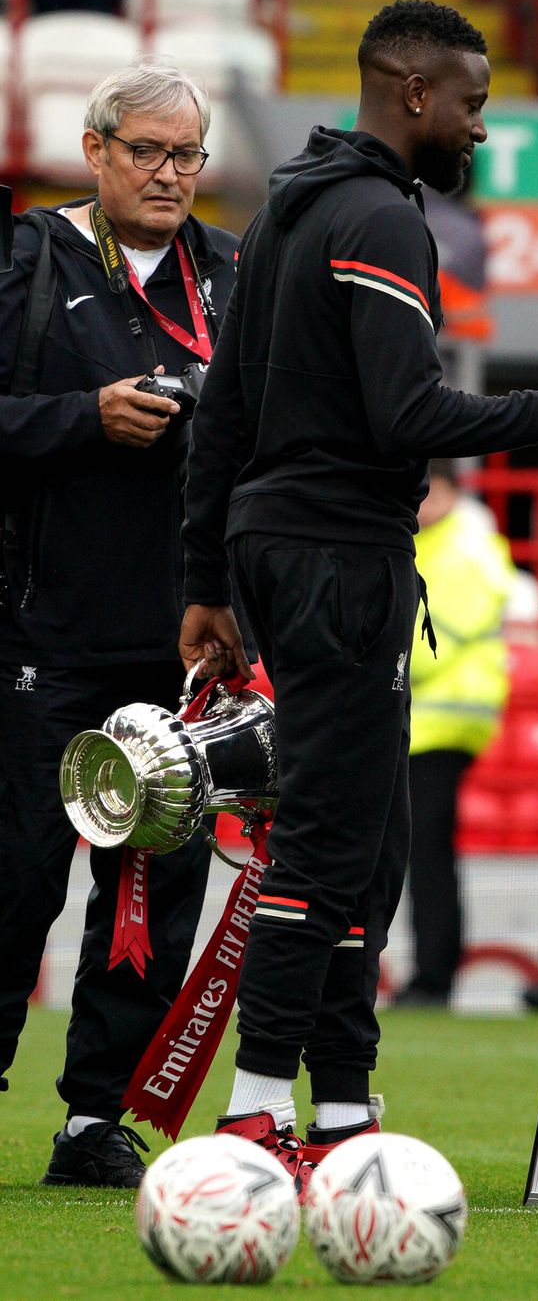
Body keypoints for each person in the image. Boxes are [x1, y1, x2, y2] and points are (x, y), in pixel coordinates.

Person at [178, 0, 538, 1191]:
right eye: (475, 103)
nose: (483, 129)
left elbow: (222, 413)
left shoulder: (284, 208)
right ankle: (250, 1117)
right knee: (333, 843)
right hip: (343, 556)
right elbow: (411, 419)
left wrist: (203, 579)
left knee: (370, 844)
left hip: (277, 548)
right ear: (413, 95)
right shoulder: (384, 221)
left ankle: (339, 1109)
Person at [0, 62, 238, 1186]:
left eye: (186, 154)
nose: (168, 174)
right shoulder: (26, 260)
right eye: (145, 151)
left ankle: (98, 1118)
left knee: (155, 893)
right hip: (42, 636)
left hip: (185, 648)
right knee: (13, 878)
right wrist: (80, 418)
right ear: (93, 151)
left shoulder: (233, 275)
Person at [393, 459, 517, 1008]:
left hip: (440, 721)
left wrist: (374, 661)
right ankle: (432, 973)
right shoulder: (452, 543)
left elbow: (428, 644)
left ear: (443, 490)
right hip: (438, 722)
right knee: (425, 850)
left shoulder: (463, 549)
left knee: (426, 851)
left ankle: (433, 977)